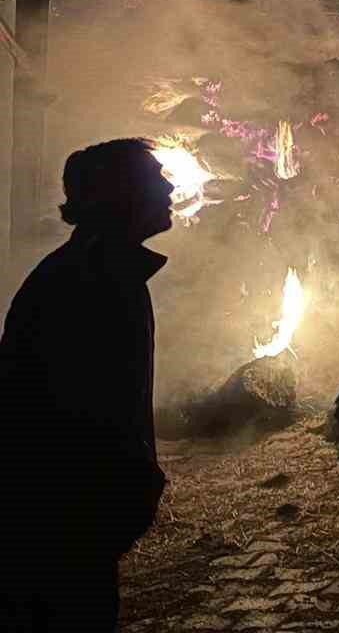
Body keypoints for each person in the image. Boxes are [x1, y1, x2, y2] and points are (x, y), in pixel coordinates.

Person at [0, 139, 175, 631]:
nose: (170, 187)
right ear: (117, 195)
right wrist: (129, 489)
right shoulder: (86, 283)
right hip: (58, 525)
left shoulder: (102, 272)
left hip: (71, 522)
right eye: (155, 178)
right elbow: (77, 414)